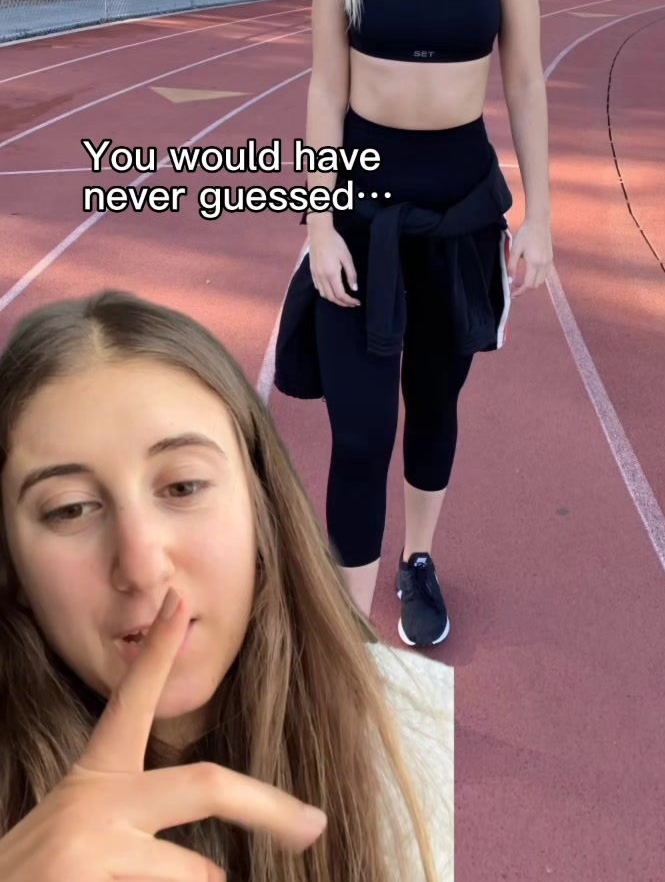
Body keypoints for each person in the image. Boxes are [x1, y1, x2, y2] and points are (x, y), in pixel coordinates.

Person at [0, 289, 451, 882]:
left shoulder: (416, 738)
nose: (141, 566)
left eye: (183, 487)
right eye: (70, 509)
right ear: (12, 565)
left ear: (261, 508)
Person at [274, 0, 553, 647]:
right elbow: (325, 86)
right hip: (361, 214)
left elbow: (523, 81)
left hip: (460, 214)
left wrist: (540, 217)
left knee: (435, 405)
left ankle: (418, 559)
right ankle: (349, 631)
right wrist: (318, 221)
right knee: (360, 433)